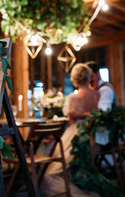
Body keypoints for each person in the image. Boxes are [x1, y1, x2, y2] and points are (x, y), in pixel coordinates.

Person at [41, 63, 99, 197]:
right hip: (93, 137)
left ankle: (69, 179)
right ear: (88, 76)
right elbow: (95, 114)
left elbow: (71, 121)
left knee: (52, 162)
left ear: (74, 78)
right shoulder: (96, 94)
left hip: (76, 135)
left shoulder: (73, 97)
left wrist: (78, 116)